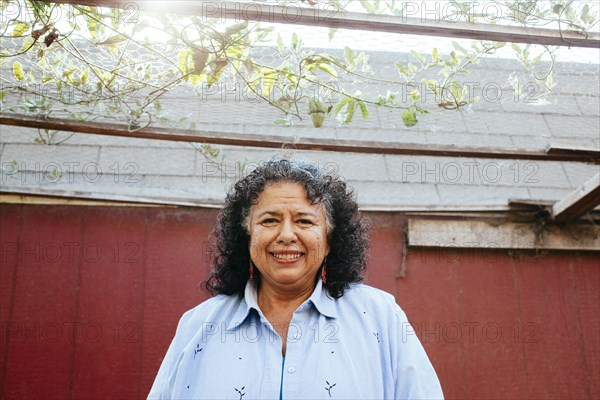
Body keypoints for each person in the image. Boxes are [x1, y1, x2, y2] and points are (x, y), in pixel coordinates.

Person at [148, 158, 443, 399]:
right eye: (270, 220)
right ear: (247, 236)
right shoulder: (199, 326)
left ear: (329, 240)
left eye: (304, 221)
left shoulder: (380, 317)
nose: (286, 235)